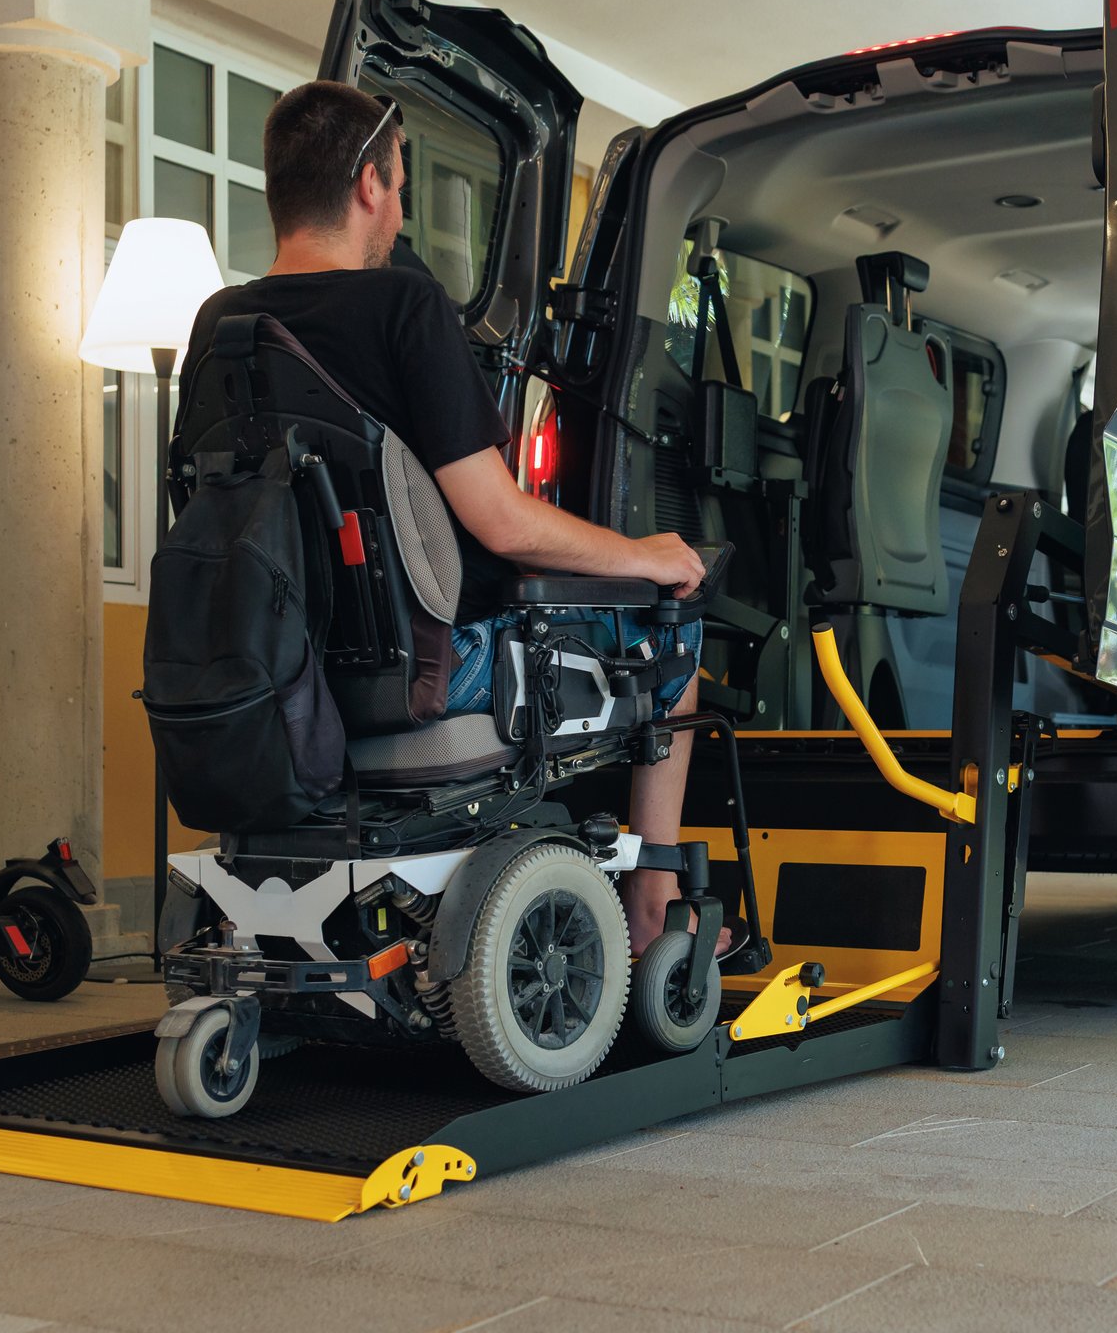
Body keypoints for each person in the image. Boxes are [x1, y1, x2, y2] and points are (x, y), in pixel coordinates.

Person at [180, 80, 718, 955]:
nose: (397, 211)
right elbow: (501, 523)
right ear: (366, 184)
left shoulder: (219, 327)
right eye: (396, 186)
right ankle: (654, 911)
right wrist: (645, 555)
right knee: (674, 632)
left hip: (272, 674)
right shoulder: (404, 306)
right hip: (431, 672)